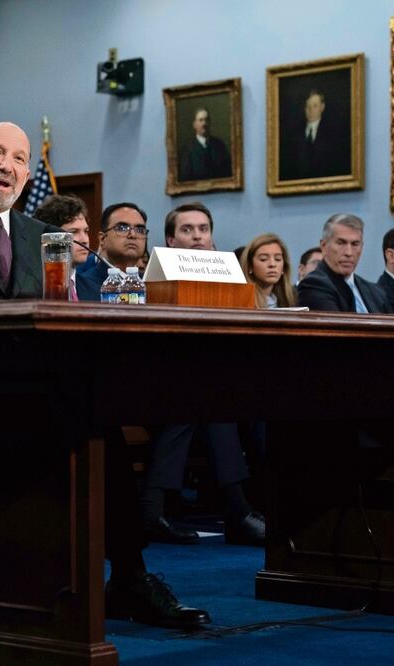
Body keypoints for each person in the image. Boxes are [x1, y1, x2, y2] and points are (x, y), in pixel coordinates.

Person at [0, 121, 209, 628]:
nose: (8, 167)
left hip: (32, 386)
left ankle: (127, 577)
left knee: (101, 426)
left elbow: (55, 313)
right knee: (71, 422)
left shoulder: (42, 236)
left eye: (19, 158)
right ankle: (28, 586)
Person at [143, 202, 265, 548]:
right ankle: (238, 511)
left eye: (203, 229)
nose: (197, 236)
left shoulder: (226, 276)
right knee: (206, 398)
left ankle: (156, 509)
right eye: (187, 230)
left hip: (210, 382)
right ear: (170, 239)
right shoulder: (155, 278)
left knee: (212, 398)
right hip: (155, 381)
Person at [297, 214, 390, 313]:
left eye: (355, 244)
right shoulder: (313, 285)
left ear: (362, 247)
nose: (348, 253)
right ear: (324, 246)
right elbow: (336, 327)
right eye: (341, 243)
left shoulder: (376, 291)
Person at [76, 202, 148, 299]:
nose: (133, 235)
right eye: (122, 228)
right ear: (102, 239)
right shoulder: (82, 286)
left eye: (139, 230)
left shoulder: (151, 284)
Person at [33, 194, 92, 300]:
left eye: (86, 231)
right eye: (74, 232)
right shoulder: (32, 289)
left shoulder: (93, 287)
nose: (84, 240)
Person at [283, 90, 347, 180]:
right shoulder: (294, 135)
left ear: (322, 107)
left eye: (315, 106)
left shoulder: (332, 134)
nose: (311, 110)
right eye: (307, 106)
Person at [240, 233, 297, 308]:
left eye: (278, 259)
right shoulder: (240, 300)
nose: (272, 264)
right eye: (263, 259)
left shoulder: (292, 299)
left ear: (284, 267)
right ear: (250, 266)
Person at [178, 108, 231, 182]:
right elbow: (185, 179)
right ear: (194, 124)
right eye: (200, 120)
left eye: (206, 120)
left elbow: (228, 173)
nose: (204, 123)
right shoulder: (187, 149)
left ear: (210, 123)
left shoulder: (220, 145)